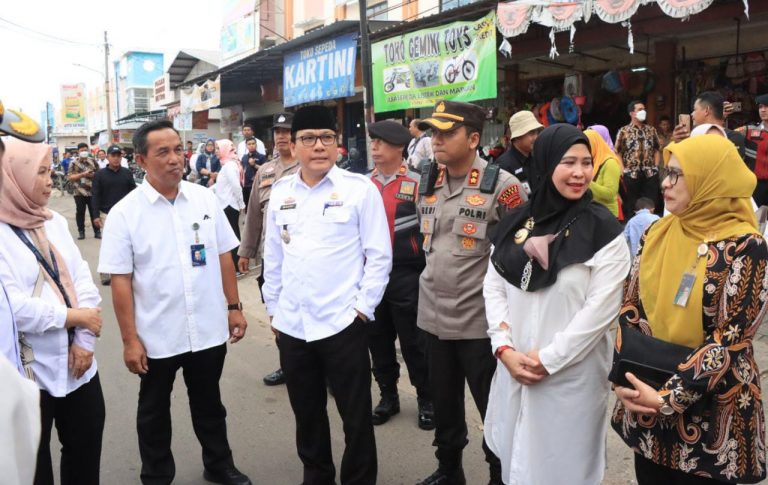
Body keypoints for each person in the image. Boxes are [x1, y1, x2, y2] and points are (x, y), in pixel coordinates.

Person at [97, 120, 251, 485]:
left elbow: (224, 256)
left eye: (178, 150)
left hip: (207, 327)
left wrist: (234, 306)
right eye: (162, 152)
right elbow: (121, 282)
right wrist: (130, 340)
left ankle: (219, 465)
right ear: (141, 159)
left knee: (210, 404)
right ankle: (157, 474)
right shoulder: (125, 214)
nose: (174, 159)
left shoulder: (205, 198)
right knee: (153, 410)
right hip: (157, 335)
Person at [611, 134, 768, 484]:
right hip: (647, 406)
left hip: (712, 417)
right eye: (667, 172)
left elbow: (729, 339)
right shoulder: (657, 233)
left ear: (709, 179)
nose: (665, 183)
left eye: (678, 175)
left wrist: (666, 398)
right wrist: (624, 379)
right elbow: (631, 308)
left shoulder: (745, 245)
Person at [483, 123, 630, 485]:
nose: (579, 173)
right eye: (568, 162)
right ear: (546, 164)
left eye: (586, 162)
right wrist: (503, 348)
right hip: (514, 367)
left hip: (570, 378)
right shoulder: (518, 221)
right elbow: (495, 286)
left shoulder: (604, 231)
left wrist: (546, 361)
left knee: (564, 468)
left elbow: (600, 312)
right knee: (516, 460)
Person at [262, 105, 392, 485]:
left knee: (355, 415)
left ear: (337, 145)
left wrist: (362, 310)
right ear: (293, 145)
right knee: (307, 413)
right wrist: (274, 308)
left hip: (342, 323)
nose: (318, 146)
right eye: (308, 139)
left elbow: (378, 256)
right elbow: (274, 256)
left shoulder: (357, 190)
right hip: (293, 325)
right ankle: (316, 476)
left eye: (326, 138)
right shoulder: (282, 192)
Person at [414, 100, 527, 485]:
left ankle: (500, 475)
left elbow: (518, 256)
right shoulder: (426, 179)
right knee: (444, 408)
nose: (436, 140)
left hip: (481, 323)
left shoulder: (504, 186)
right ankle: (449, 471)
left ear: (474, 138)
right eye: (433, 132)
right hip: (432, 317)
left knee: (493, 409)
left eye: (447, 133)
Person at [0, 138, 105, 485]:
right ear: (14, 176)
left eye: (49, 172)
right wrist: (74, 318)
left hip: (79, 366)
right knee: (34, 465)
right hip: (29, 373)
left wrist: (85, 341)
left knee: (85, 453)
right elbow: (12, 307)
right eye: (40, 173)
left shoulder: (54, 222)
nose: (49, 181)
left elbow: (83, 282)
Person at [366, 120, 434, 430]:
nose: (374, 148)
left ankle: (426, 399)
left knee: (413, 342)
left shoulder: (418, 183)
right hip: (370, 276)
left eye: (380, 143)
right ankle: (388, 397)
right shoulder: (364, 185)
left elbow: (430, 232)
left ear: (398, 147)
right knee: (377, 340)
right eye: (373, 142)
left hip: (407, 274)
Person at [238, 113, 297, 387]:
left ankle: (322, 368)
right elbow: (253, 215)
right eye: (278, 131)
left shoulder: (308, 168)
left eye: (287, 131)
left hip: (301, 259)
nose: (282, 136)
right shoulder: (266, 170)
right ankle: (288, 364)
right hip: (271, 260)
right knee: (276, 309)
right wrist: (245, 251)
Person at [91, 144, 137, 285]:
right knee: (108, 244)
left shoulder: (127, 173)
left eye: (118, 156)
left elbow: (134, 194)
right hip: (106, 214)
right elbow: (95, 195)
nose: (116, 158)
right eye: (113, 156)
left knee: (129, 244)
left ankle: (127, 271)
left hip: (126, 214)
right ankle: (105, 273)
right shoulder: (99, 175)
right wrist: (95, 215)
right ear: (108, 157)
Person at [615, 100, 663, 214]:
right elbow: (617, 152)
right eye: (640, 109)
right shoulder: (624, 131)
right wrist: (623, 170)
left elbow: (657, 150)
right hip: (631, 174)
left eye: (644, 109)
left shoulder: (651, 130)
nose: (644, 111)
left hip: (650, 173)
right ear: (632, 113)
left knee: (651, 201)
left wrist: (655, 167)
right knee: (631, 203)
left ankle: (651, 226)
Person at [673, 91, 747, 160]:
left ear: (706, 111)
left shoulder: (733, 137)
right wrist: (678, 144)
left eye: (695, 109)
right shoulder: (693, 137)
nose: (692, 114)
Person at [214, 139, 245, 269]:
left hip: (229, 205)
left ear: (225, 149)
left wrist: (241, 204)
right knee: (231, 234)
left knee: (232, 235)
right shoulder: (226, 165)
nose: (216, 151)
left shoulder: (230, 166)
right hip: (225, 204)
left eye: (217, 148)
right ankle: (235, 264)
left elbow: (236, 186)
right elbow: (220, 186)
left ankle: (236, 264)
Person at [496, 111, 543, 196]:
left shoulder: (536, 159)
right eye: (531, 133)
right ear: (517, 137)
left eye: (537, 132)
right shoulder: (503, 165)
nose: (536, 137)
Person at [585, 128, 623, 218]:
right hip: (593, 213)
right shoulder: (592, 161)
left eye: (587, 144)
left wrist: (586, 182)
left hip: (607, 215)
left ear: (594, 144)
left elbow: (610, 193)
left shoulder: (610, 163)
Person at [739, 93, 768, 206]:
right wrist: (723, 116)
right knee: (755, 219)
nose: (763, 110)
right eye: (760, 107)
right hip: (755, 186)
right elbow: (726, 135)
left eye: (766, 106)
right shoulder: (749, 130)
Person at [67, 144, 100, 240]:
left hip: (92, 191)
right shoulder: (73, 163)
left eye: (86, 150)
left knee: (94, 212)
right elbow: (70, 177)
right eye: (82, 150)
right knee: (80, 212)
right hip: (79, 192)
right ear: (78, 151)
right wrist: (82, 174)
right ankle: (81, 232)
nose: (84, 151)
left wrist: (92, 175)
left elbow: (99, 175)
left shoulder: (93, 161)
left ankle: (97, 232)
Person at [240, 137, 265, 210]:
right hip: (245, 186)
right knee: (247, 207)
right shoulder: (244, 157)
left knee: (256, 207)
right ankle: (248, 221)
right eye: (249, 144)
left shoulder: (261, 157)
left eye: (253, 144)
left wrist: (254, 165)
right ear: (246, 146)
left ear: (256, 145)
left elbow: (264, 170)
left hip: (256, 185)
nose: (251, 145)